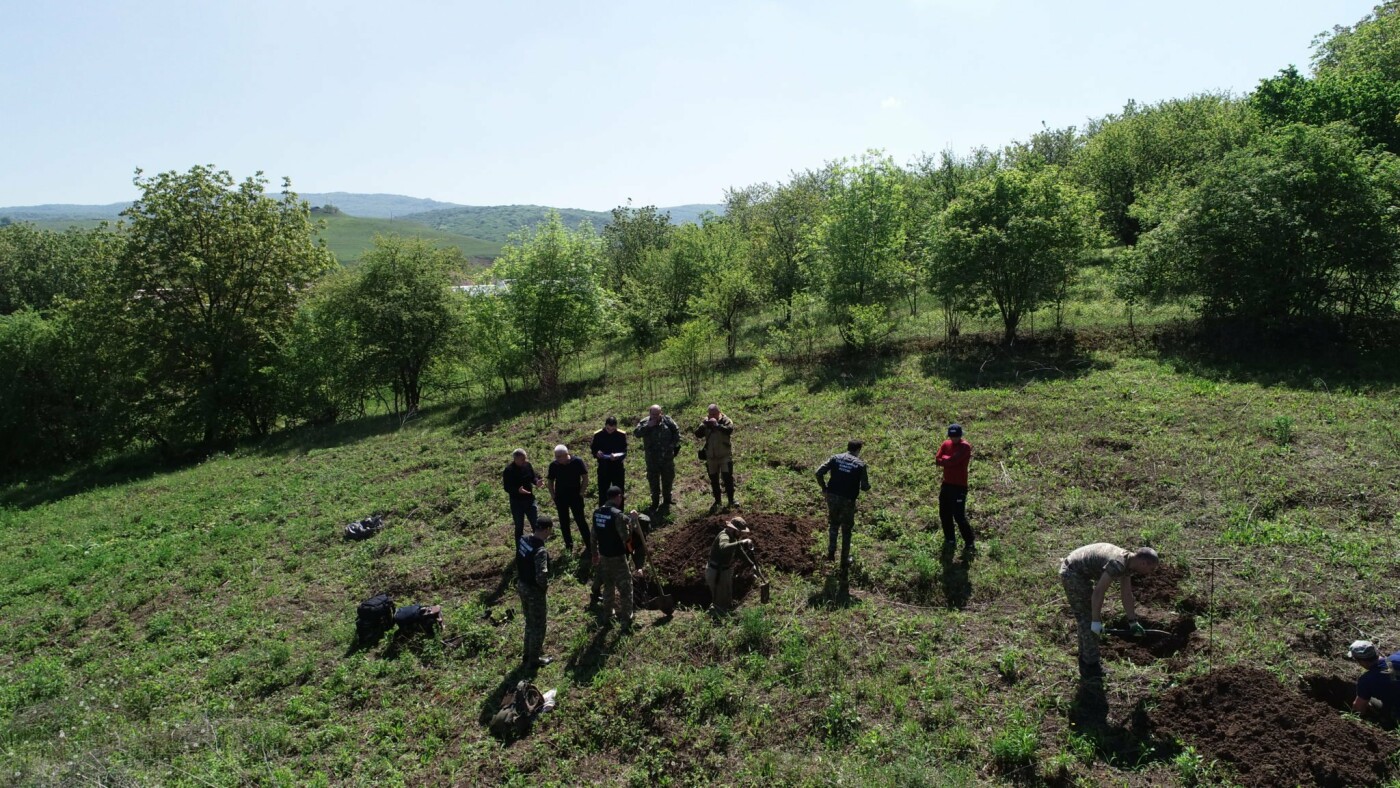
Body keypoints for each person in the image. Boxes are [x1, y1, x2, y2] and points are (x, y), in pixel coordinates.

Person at [1059, 544, 1160, 679]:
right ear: (1143, 563)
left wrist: (1132, 621)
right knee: (1087, 618)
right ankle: (1091, 667)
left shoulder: (1129, 562)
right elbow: (1099, 592)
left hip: (1080, 573)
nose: (1151, 572)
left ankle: (1086, 656)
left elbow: (1126, 594)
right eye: (1151, 568)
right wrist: (1096, 620)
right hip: (1073, 573)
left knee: (1086, 617)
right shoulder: (1118, 564)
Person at [816, 440, 871, 567]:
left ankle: (830, 554)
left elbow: (818, 472)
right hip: (848, 500)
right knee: (846, 529)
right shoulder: (860, 465)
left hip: (832, 497)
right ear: (858, 450)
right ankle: (844, 560)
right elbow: (864, 487)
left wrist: (824, 488)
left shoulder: (835, 458)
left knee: (834, 525)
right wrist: (868, 486)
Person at [590, 486, 634, 628]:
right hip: (618, 557)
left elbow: (593, 537)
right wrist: (632, 522)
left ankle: (607, 616)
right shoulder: (617, 515)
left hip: (604, 556)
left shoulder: (597, 513)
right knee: (626, 588)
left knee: (608, 586)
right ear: (618, 497)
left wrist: (595, 554)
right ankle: (627, 620)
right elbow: (625, 538)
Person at [516, 516, 553, 668]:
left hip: (522, 585)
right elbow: (541, 575)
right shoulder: (540, 550)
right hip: (533, 590)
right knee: (538, 624)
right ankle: (534, 659)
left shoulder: (523, 539)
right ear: (546, 530)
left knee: (529, 622)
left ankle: (527, 653)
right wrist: (543, 588)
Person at [634, 404, 681, 513]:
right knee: (653, 482)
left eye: (657, 414)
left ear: (661, 413)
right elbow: (636, 433)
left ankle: (667, 500)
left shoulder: (667, 421)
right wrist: (648, 426)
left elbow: (677, 432)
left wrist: (672, 445)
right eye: (653, 414)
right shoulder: (645, 422)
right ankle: (655, 503)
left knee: (668, 479)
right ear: (649, 413)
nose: (655, 416)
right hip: (652, 460)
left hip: (667, 458)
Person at [936, 424, 973, 549]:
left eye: (956, 436)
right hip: (947, 484)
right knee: (944, 513)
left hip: (959, 486)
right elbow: (937, 460)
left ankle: (969, 542)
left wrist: (946, 460)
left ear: (960, 435)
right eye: (951, 436)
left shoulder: (965, 447)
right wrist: (948, 460)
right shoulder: (946, 444)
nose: (954, 439)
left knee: (959, 515)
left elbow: (952, 461)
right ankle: (950, 539)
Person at [694, 403, 737, 512]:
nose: (712, 416)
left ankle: (731, 500)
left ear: (719, 412)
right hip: (711, 457)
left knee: (727, 478)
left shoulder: (726, 420)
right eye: (710, 414)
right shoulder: (706, 422)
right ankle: (717, 501)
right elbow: (698, 434)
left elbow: (729, 430)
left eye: (714, 413)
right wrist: (704, 425)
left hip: (724, 456)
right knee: (714, 480)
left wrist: (717, 425)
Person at [546, 444, 588, 554]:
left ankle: (589, 544)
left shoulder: (577, 462)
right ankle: (568, 546)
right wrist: (553, 495)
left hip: (575, 496)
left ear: (566, 454)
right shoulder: (553, 465)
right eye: (556, 456)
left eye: (559, 456)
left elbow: (585, 477)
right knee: (564, 522)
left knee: (580, 521)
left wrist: (581, 492)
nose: (557, 458)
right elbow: (550, 481)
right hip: (561, 497)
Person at [705, 517, 753, 614]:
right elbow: (724, 547)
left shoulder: (733, 537)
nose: (741, 534)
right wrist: (742, 542)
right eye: (740, 531)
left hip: (725, 571)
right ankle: (714, 618)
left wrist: (751, 564)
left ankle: (724, 612)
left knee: (726, 596)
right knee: (719, 600)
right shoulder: (724, 536)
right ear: (733, 529)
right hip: (716, 572)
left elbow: (739, 551)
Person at [1348, 640, 1400, 723]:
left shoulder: (1366, 681)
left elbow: (1358, 709)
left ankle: (1387, 722)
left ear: (1362, 661)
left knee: (1369, 700)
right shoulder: (1398, 656)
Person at [502, 448, 542, 542]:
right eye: (522, 459)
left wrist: (537, 482)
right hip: (517, 503)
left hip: (529, 500)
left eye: (525, 458)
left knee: (535, 523)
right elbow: (507, 487)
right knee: (519, 526)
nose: (524, 461)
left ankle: (538, 547)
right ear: (515, 459)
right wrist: (517, 491)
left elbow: (533, 477)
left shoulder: (527, 465)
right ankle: (520, 551)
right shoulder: (508, 470)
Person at [590, 416, 628, 504]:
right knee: (603, 491)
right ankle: (603, 511)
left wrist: (617, 456)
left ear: (616, 427)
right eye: (608, 429)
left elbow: (624, 451)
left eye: (613, 429)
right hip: (604, 466)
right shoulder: (598, 435)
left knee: (618, 491)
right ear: (605, 426)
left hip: (617, 466)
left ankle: (619, 512)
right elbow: (593, 448)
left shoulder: (621, 435)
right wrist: (597, 453)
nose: (610, 431)